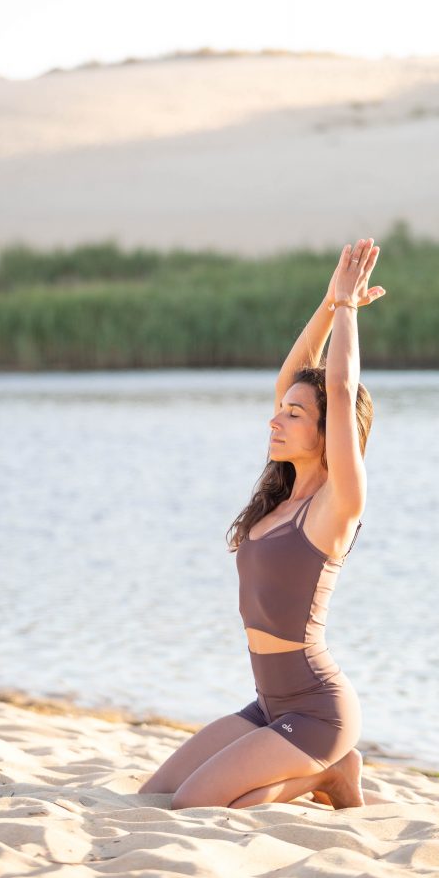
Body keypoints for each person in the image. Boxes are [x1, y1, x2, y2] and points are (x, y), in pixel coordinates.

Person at [139, 237, 387, 810]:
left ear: (329, 433)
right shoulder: (278, 500)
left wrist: (349, 312)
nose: (276, 418)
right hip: (268, 705)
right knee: (155, 795)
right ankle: (325, 770)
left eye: (295, 414)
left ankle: (331, 775)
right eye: (280, 410)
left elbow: (341, 390)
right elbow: (294, 373)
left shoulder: (336, 503)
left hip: (318, 711)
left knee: (194, 807)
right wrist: (329, 302)